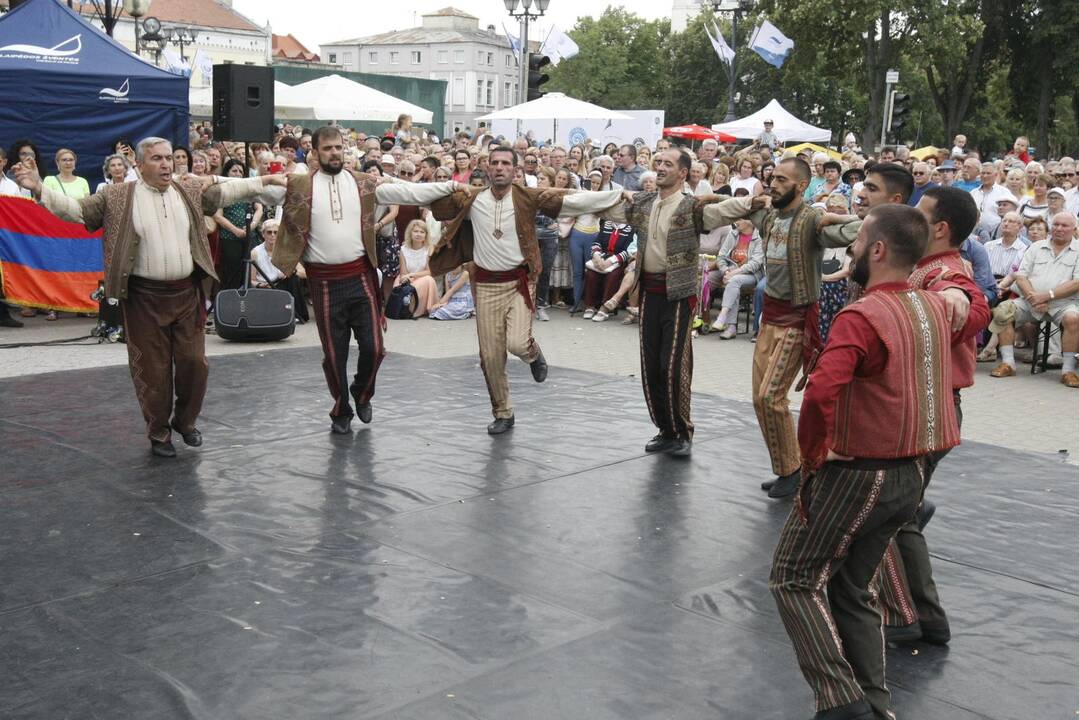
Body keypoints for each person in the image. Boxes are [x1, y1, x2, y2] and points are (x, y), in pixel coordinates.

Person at [770, 204, 961, 720]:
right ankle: (875, 705)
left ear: (877, 250)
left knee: (793, 577)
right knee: (852, 585)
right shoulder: (932, 306)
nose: (850, 252)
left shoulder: (863, 315)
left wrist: (814, 452)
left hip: (860, 475)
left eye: (856, 244)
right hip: (911, 475)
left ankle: (841, 699)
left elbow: (819, 393)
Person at [14, 137, 286, 457]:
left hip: (186, 295)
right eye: (157, 158)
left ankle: (185, 422)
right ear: (139, 165)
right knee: (152, 370)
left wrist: (264, 180)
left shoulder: (188, 190)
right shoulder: (116, 196)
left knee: (194, 364)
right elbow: (76, 211)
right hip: (143, 297)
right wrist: (39, 189)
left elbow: (227, 191)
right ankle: (159, 433)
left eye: (169, 158)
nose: (166, 164)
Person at [266, 126, 464, 434]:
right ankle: (341, 408)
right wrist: (208, 181)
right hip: (323, 282)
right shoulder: (300, 185)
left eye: (339, 148)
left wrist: (452, 186)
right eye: (328, 148)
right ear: (315, 153)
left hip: (360, 277)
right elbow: (254, 188)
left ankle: (362, 391)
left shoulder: (364, 184)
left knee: (374, 348)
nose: (334, 153)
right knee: (334, 355)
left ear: (345, 150)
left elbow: (408, 191)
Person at [425, 145, 625, 435]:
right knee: (490, 356)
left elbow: (572, 200)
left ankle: (533, 354)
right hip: (485, 285)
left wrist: (618, 195)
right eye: (494, 163)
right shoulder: (472, 198)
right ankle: (503, 412)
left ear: (515, 169)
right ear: (487, 167)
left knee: (517, 343)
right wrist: (379, 186)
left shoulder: (527, 197)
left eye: (506, 163)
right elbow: (429, 198)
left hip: (518, 282)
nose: (499, 167)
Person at [871, 186, 990, 647]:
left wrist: (963, 300)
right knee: (897, 510)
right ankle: (922, 617)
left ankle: (910, 617)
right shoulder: (922, 266)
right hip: (923, 407)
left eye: (919, 215)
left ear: (940, 229)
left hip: (926, 409)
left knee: (889, 515)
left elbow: (963, 294)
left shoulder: (945, 271)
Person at [611, 148, 766, 457]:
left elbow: (726, 211)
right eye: (658, 163)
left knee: (673, 365)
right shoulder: (642, 203)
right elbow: (601, 204)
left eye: (668, 164)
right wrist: (552, 202)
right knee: (650, 364)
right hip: (651, 293)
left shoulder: (691, 207)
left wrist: (753, 202)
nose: (660, 168)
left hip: (678, 295)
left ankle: (682, 431)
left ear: (684, 173)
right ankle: (664, 429)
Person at [725, 158, 861, 497]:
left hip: (796, 320)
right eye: (772, 178)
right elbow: (726, 206)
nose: (774, 184)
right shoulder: (770, 216)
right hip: (769, 317)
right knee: (760, 400)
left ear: (802, 186)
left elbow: (856, 230)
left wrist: (842, 216)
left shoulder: (812, 220)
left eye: (783, 180)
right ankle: (787, 468)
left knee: (771, 397)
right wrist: (751, 201)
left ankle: (797, 469)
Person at [988, 211, 1079, 387]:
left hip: (1064, 304)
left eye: (1064, 225)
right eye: (1056, 224)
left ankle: (1068, 371)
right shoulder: (1036, 247)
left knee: (1073, 318)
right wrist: (1033, 299)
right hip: (1030, 301)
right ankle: (1008, 363)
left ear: (1074, 228)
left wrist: (1046, 296)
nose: (1059, 228)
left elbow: (1077, 282)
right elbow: (1021, 276)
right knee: (1002, 311)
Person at [706, 218, 764, 338]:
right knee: (730, 283)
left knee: (734, 281)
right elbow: (721, 256)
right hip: (730, 272)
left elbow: (756, 263)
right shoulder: (733, 233)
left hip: (751, 275)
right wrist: (726, 270)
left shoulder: (759, 237)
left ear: (750, 221)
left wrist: (734, 273)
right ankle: (727, 325)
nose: (736, 222)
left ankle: (725, 319)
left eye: (740, 219)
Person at [214, 159, 264, 291]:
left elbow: (259, 208)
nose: (237, 174)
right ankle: (232, 299)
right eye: (234, 171)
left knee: (250, 268)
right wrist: (235, 230)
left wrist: (252, 225)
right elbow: (218, 216)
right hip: (230, 237)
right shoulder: (222, 190)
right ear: (227, 172)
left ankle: (249, 298)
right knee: (232, 270)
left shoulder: (248, 188)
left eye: (240, 171)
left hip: (250, 235)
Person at [249, 219, 308, 324]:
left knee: (293, 278)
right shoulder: (255, 252)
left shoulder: (286, 250)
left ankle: (296, 315)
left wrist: (291, 271)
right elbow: (251, 281)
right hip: (264, 287)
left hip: (281, 284)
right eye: (269, 232)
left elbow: (303, 273)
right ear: (263, 234)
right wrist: (261, 285)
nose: (272, 235)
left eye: (276, 232)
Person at [581, 219, 637, 321]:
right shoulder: (606, 224)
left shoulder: (631, 228)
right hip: (602, 258)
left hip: (618, 261)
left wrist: (611, 261)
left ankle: (605, 308)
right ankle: (590, 306)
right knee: (591, 274)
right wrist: (597, 256)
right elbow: (597, 243)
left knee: (613, 276)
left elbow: (628, 250)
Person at [395, 219, 439, 317]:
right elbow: (403, 273)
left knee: (429, 280)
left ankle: (418, 311)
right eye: (415, 231)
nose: (418, 234)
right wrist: (406, 278)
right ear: (410, 233)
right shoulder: (403, 249)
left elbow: (429, 271)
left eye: (422, 232)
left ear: (425, 235)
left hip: (421, 278)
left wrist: (413, 275)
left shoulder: (428, 249)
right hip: (407, 278)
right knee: (399, 284)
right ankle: (405, 310)